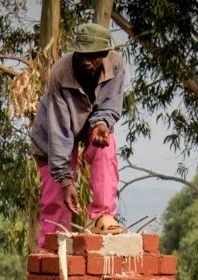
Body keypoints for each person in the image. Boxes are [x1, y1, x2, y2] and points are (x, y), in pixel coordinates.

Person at [29, 21, 127, 243]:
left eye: (93, 56)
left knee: (106, 143)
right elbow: (59, 131)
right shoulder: (60, 73)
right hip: (52, 134)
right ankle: (52, 249)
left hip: (91, 125)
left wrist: (102, 123)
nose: (85, 61)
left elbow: (112, 103)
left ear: (104, 53)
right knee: (56, 201)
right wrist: (65, 180)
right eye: (81, 55)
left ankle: (103, 216)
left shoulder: (116, 64)